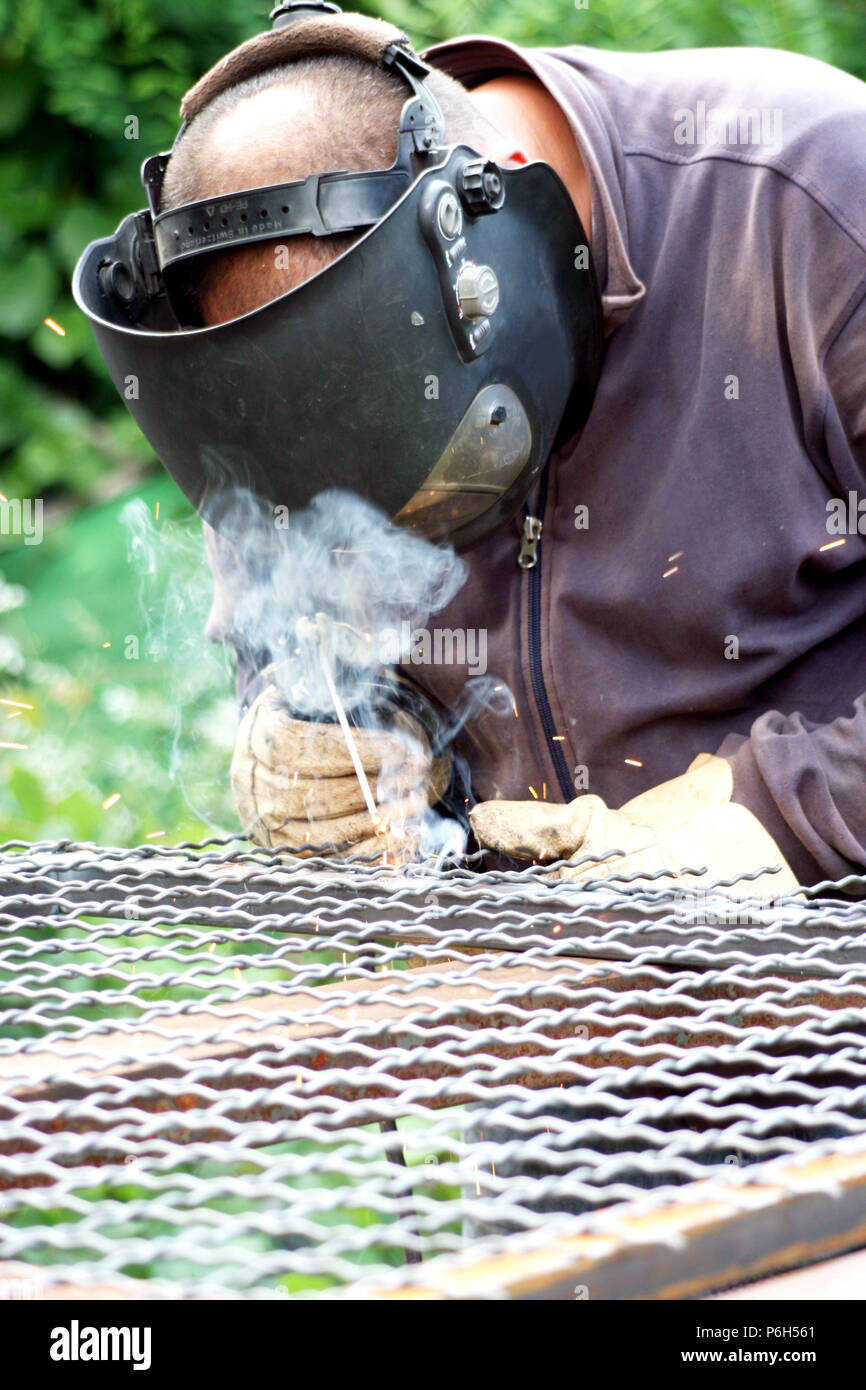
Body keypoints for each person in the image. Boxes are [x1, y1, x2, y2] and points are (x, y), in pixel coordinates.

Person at [103, 9, 866, 890]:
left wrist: (773, 819)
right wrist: (319, 739)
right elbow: (287, 648)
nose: (380, 528)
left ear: (498, 254)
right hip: (505, 1000)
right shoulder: (266, 383)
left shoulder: (811, 200)